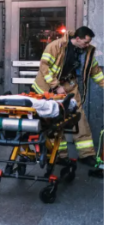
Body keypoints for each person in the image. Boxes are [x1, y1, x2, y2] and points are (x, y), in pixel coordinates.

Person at [32, 26, 104, 166]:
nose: (88, 45)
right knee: (53, 120)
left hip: (69, 86)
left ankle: (86, 154)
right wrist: (55, 86)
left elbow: (95, 72)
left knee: (79, 118)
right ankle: (59, 155)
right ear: (77, 39)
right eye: (86, 42)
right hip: (47, 88)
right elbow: (44, 67)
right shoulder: (55, 46)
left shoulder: (87, 52)